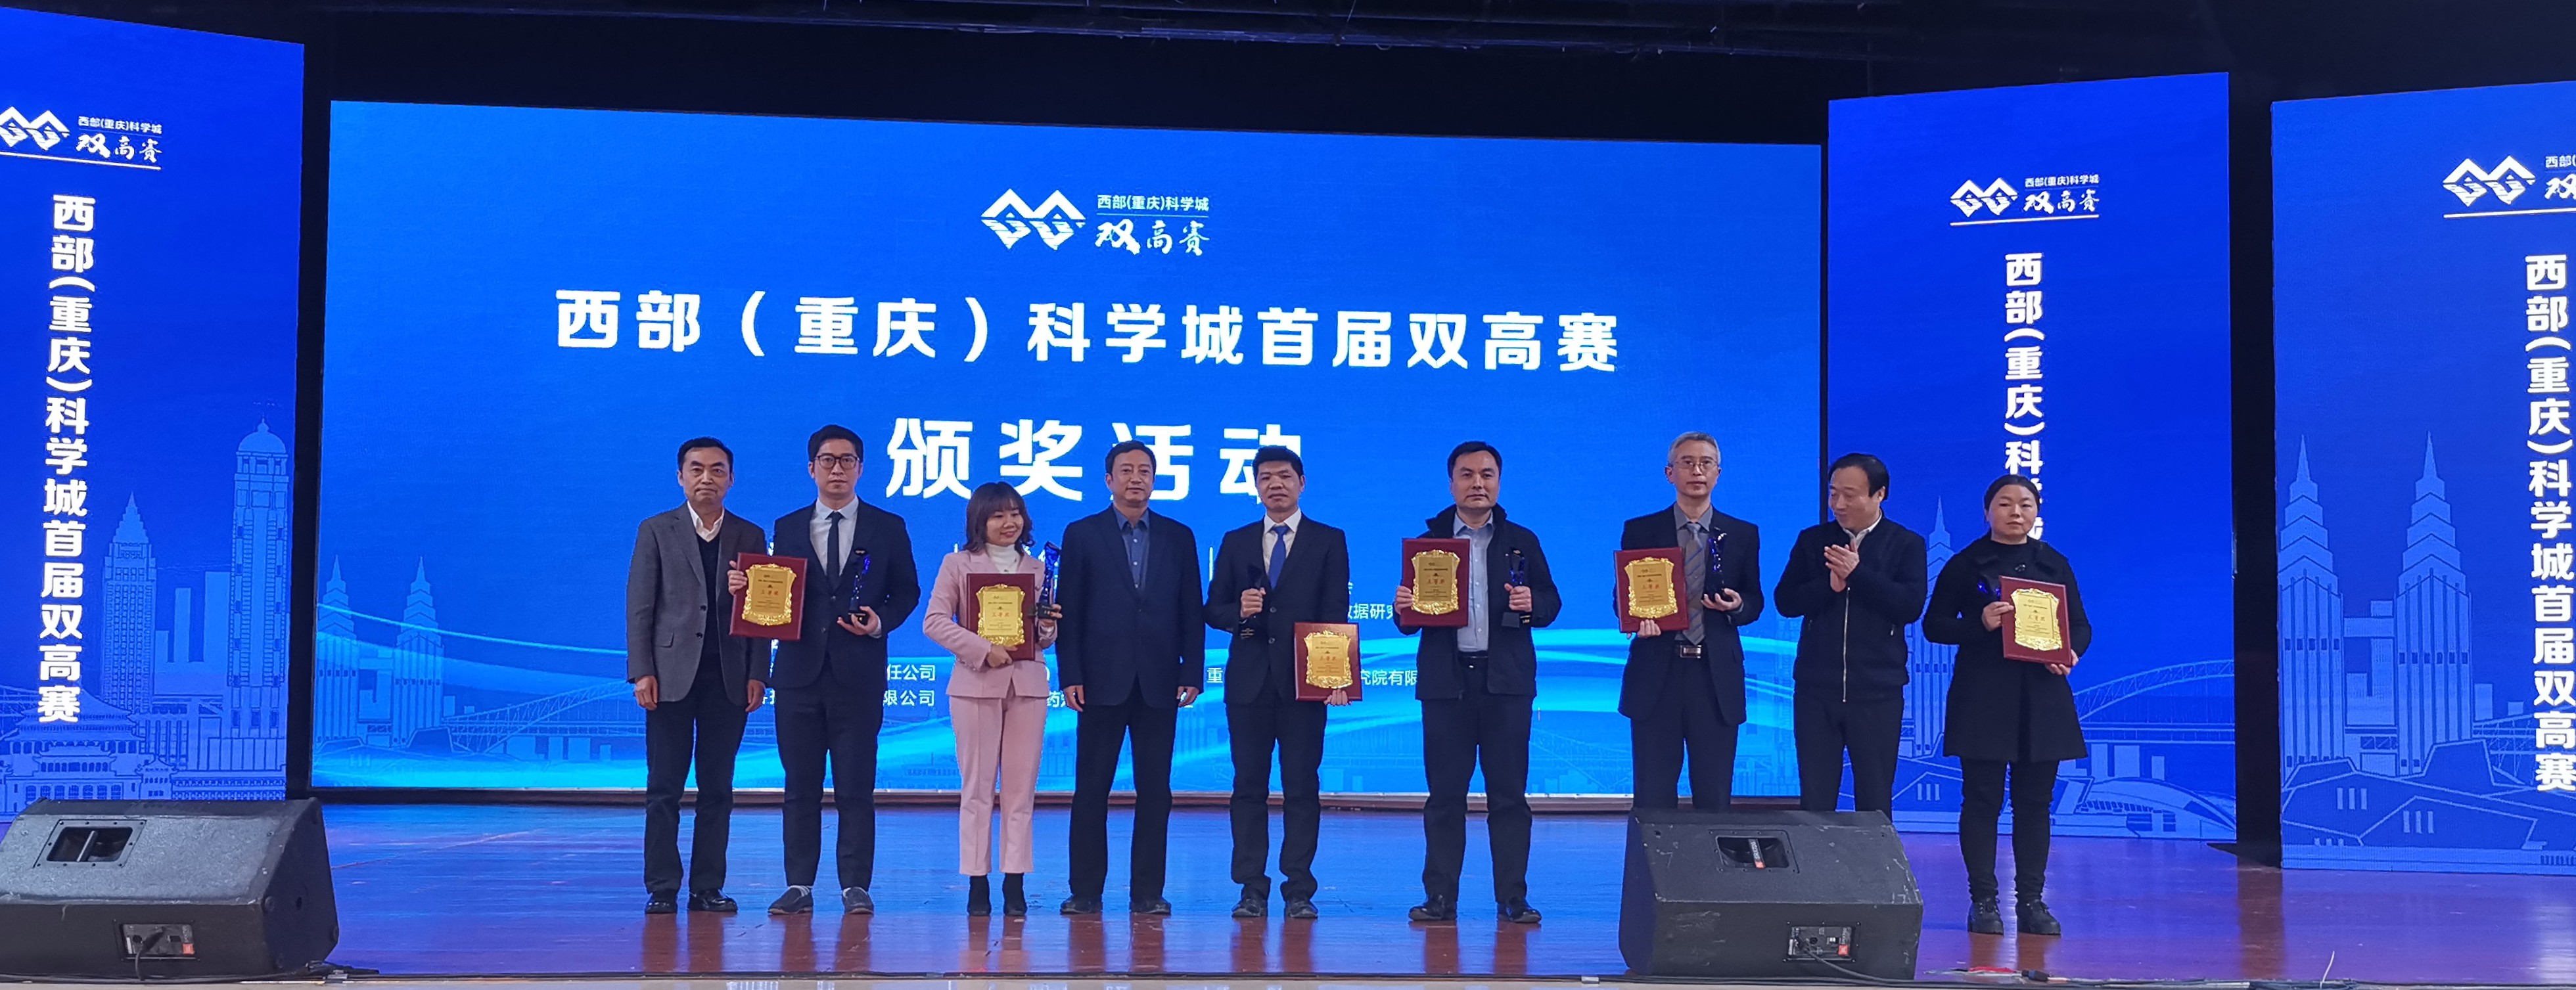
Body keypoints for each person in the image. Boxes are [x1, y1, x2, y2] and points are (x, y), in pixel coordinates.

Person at [751, 424, 922, 916]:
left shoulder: (887, 526)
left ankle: (855, 885)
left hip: (858, 675)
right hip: (798, 675)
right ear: (812, 469)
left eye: (848, 460)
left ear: (861, 468)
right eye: (827, 460)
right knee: (799, 787)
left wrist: (880, 622)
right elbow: (775, 594)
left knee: (855, 787)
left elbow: (907, 591)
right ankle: (799, 885)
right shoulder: (786, 527)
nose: (837, 469)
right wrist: (750, 589)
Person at [1394, 440, 1559, 925]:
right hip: (1447, 684)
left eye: (1487, 474)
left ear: (1499, 482)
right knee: (1445, 797)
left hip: (1506, 683)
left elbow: (1551, 602)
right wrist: (1404, 608)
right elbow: (1407, 619)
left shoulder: (1521, 540)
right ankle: (1439, 897)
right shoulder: (1428, 544)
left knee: (1509, 796)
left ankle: (1513, 897)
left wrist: (1533, 603)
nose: (1478, 483)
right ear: (1451, 483)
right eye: (1467, 474)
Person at [1922, 475, 2088, 937]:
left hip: (2042, 697)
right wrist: (1978, 622)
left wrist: (2071, 652)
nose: (2016, 512)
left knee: (2035, 804)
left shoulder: (2054, 562)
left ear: (2036, 511)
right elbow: (1934, 625)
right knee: (1982, 801)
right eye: (2005, 503)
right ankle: (1983, 901)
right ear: (1987, 511)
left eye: (2026, 504)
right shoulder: (1966, 564)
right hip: (1984, 696)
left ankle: (2032, 901)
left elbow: (2080, 624)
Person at [1056, 440, 1205, 916]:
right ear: (1109, 480)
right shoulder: (1082, 534)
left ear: (1155, 480)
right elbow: (1069, 610)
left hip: (1160, 680)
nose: (1136, 478)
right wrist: (1070, 673)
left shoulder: (1179, 536)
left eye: (1144, 470)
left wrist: (1192, 670)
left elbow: (1191, 609)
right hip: (1100, 680)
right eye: (1126, 470)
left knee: (1155, 791)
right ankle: (1085, 891)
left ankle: (1148, 893)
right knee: (1091, 789)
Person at [1202, 445, 1351, 920]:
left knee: (1302, 786)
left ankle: (1299, 888)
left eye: (1285, 476)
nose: (1276, 485)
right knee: (1248, 786)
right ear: (1256, 487)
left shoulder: (1329, 540)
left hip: (1305, 684)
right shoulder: (1236, 540)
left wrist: (1335, 677)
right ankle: (1251, 887)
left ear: (1302, 483)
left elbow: (1335, 612)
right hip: (1249, 684)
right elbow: (1213, 608)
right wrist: (1238, 611)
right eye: (1266, 477)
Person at [624, 437, 768, 914]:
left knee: (718, 789)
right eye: (697, 469)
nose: (707, 478)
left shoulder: (749, 535)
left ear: (731, 479)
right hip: (669, 676)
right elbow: (640, 607)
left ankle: (707, 886)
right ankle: (662, 886)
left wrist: (758, 672)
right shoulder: (656, 530)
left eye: (717, 470)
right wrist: (642, 671)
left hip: (729, 677)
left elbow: (764, 613)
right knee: (664, 787)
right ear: (681, 477)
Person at [921, 482, 1061, 918]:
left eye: (1015, 513)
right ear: (979, 521)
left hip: (1028, 687)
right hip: (975, 684)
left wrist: (1047, 627)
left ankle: (1015, 881)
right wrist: (982, 649)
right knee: (978, 789)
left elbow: (1044, 638)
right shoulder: (957, 564)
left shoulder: (1039, 568)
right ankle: (977, 881)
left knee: (1021, 790)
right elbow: (934, 621)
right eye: (998, 515)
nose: (1008, 522)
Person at [1774, 453, 1928, 815]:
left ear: (1880, 494)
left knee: (1874, 799)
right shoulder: (1813, 540)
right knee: (1816, 799)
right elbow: (1786, 601)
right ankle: (1817, 857)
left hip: (1877, 692)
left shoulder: (1906, 543)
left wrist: (1858, 575)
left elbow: (1909, 606)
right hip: (1816, 691)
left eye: (1850, 495)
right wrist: (1829, 586)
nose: (1839, 504)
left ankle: (1874, 858)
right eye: (1833, 494)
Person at [1619, 432, 1764, 811]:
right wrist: (1637, 618)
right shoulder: (1641, 530)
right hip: (1658, 673)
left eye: (1705, 464)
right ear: (1670, 473)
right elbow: (1623, 597)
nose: (1697, 471)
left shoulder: (1743, 534)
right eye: (1687, 463)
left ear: (1718, 474)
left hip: (1715, 678)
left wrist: (1737, 606)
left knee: (1714, 798)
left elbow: (1755, 601)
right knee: (1652, 797)